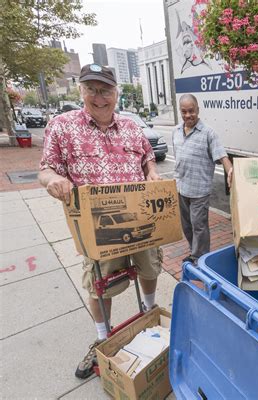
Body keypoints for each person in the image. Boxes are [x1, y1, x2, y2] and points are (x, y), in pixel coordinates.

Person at [38, 64, 163, 379]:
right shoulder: (62, 126)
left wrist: (151, 172)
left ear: (115, 93)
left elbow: (147, 156)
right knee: (100, 286)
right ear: (81, 90)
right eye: (91, 88)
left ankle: (148, 311)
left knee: (149, 267)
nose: (99, 96)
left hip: (140, 218)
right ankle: (103, 338)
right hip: (98, 227)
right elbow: (46, 168)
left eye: (105, 89)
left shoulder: (132, 127)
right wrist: (53, 179)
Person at [172, 94, 233, 263]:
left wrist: (230, 171)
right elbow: (178, 159)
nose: (188, 115)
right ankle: (194, 250)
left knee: (199, 226)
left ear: (198, 110)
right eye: (184, 112)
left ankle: (200, 258)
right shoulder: (176, 131)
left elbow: (222, 156)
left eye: (191, 111)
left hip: (199, 191)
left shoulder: (209, 133)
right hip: (181, 187)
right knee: (186, 225)